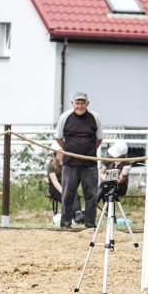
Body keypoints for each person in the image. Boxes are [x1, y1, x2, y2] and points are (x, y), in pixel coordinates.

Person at [55, 91, 103, 230]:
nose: (80, 106)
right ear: (72, 103)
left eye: (83, 103)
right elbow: (58, 137)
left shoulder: (95, 117)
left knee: (91, 195)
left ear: (87, 104)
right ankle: (65, 224)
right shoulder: (65, 117)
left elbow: (99, 138)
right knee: (67, 195)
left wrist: (89, 151)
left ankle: (90, 224)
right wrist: (69, 150)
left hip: (89, 164)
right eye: (77, 103)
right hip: (70, 163)